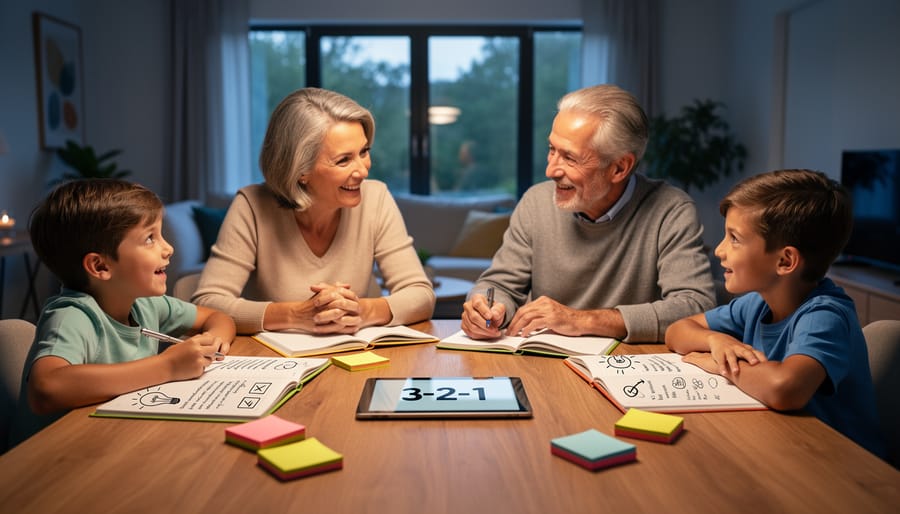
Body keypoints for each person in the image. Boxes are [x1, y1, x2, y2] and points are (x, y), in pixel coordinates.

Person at [461, 84, 716, 343]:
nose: (551, 171)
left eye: (570, 158)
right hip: (542, 361)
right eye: (552, 150)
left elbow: (695, 307)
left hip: (627, 366)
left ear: (619, 168)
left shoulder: (671, 211)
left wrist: (581, 320)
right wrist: (486, 308)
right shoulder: (535, 202)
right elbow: (500, 285)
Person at [665, 169, 885, 457]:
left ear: (785, 261)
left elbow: (786, 389)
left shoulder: (825, 315)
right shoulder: (757, 303)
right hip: (785, 445)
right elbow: (677, 330)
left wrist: (719, 365)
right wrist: (717, 342)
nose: (719, 250)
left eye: (734, 238)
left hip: (843, 467)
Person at [9, 179, 236, 447]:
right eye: (150, 238)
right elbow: (46, 388)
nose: (168, 248)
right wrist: (168, 366)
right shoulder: (71, 316)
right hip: (51, 461)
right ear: (100, 265)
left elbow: (217, 317)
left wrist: (216, 340)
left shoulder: (145, 303)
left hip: (110, 440)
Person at [193, 87, 435, 335]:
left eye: (364, 152)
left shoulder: (376, 198)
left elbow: (421, 294)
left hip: (361, 356)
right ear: (300, 170)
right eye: (344, 160)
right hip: (277, 363)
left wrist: (363, 312)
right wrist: (297, 315)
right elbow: (208, 303)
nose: (363, 170)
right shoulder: (252, 205)